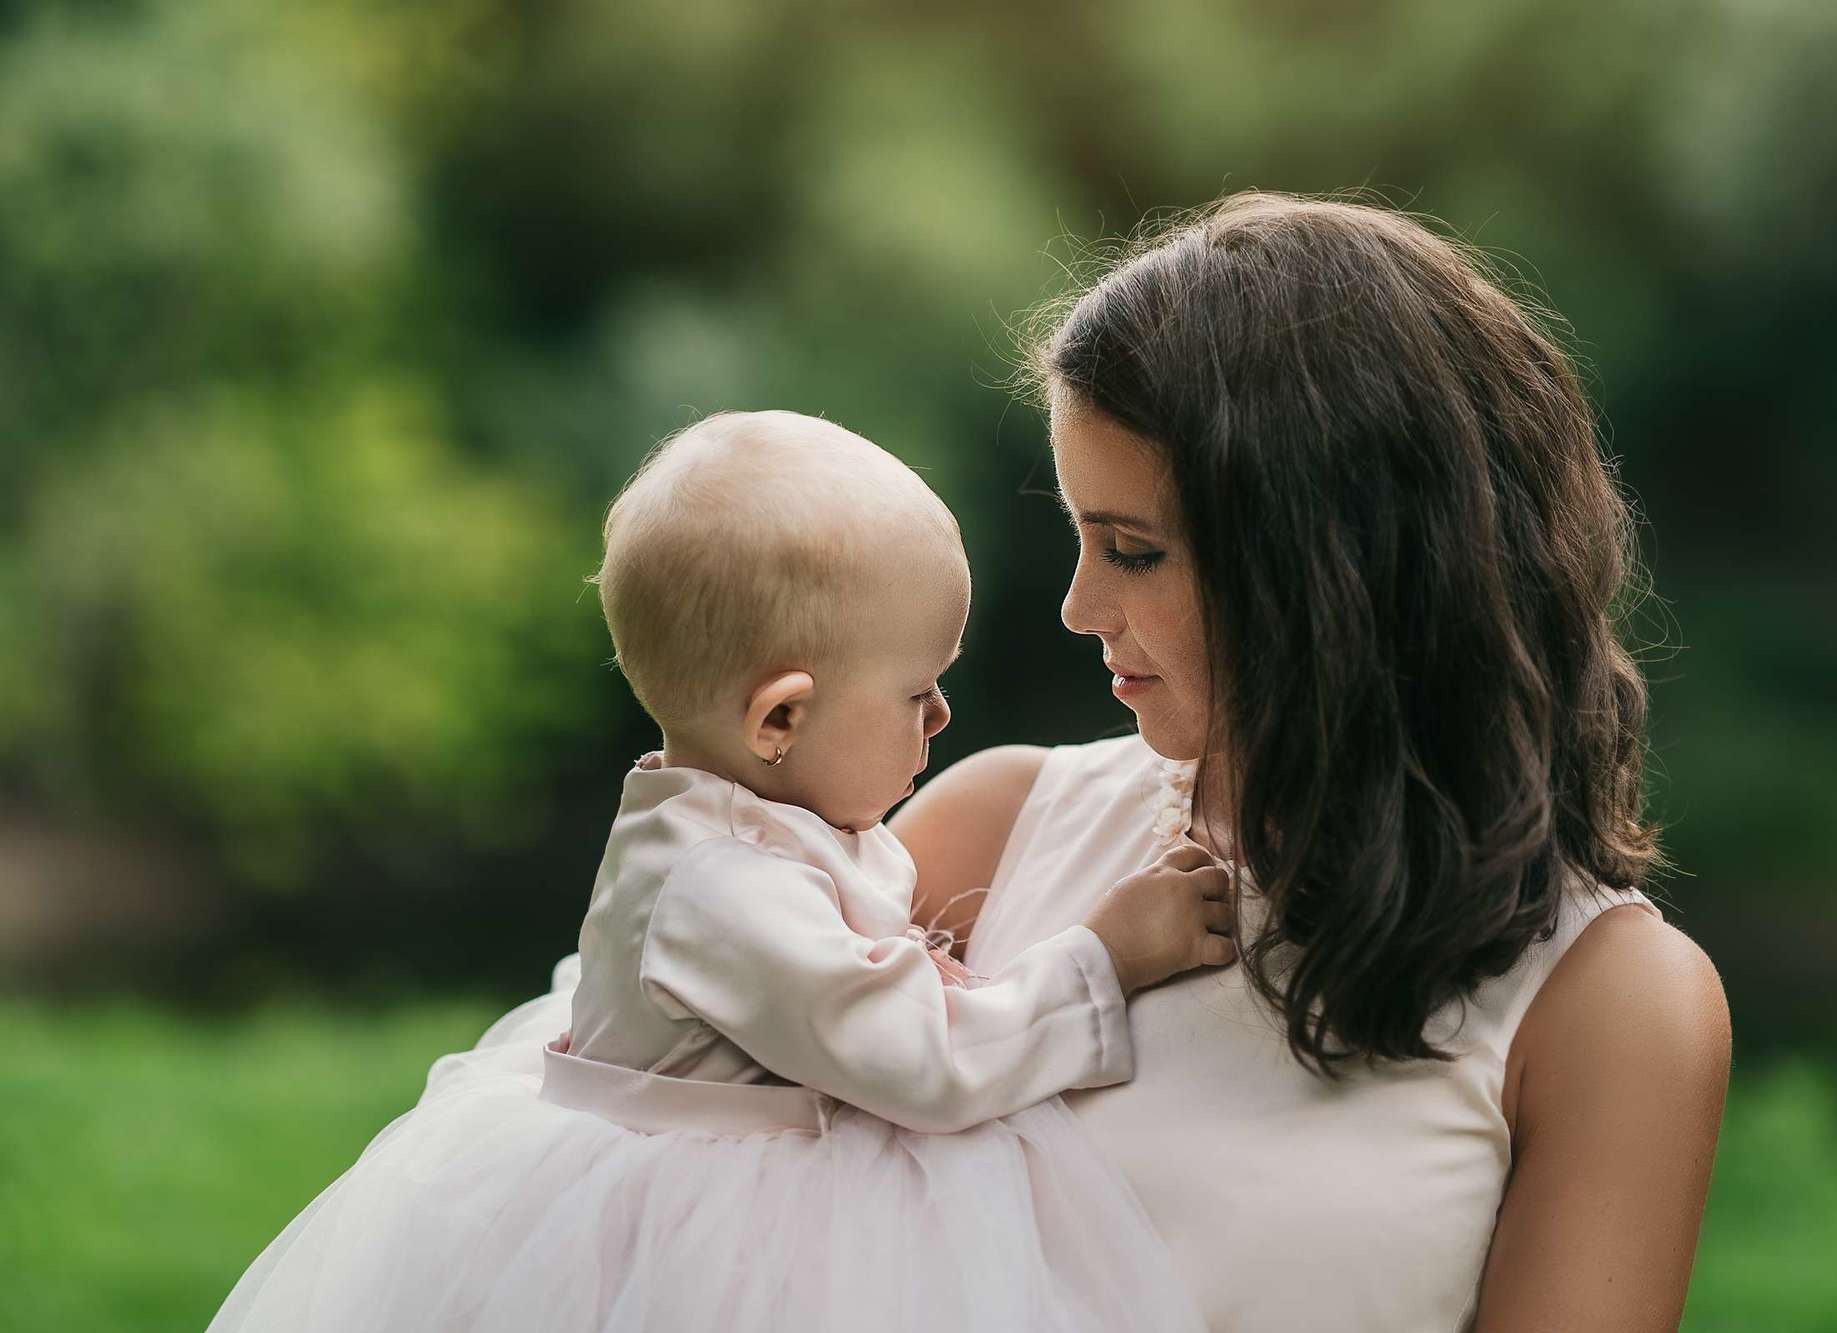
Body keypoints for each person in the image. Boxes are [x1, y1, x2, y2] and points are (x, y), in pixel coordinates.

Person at [413, 192, 1733, 1331]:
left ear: (1336, 567)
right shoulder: (990, 830)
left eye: (1137, 550)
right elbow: (675, 1199)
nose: (1079, 610)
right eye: (1081, 540)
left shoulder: (1614, 1004)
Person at [208, 410, 1225, 1332]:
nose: (941, 718)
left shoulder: (756, 821)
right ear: (777, 718)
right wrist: (1105, 955)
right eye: (916, 691)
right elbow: (916, 1057)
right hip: (712, 1253)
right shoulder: (719, 885)